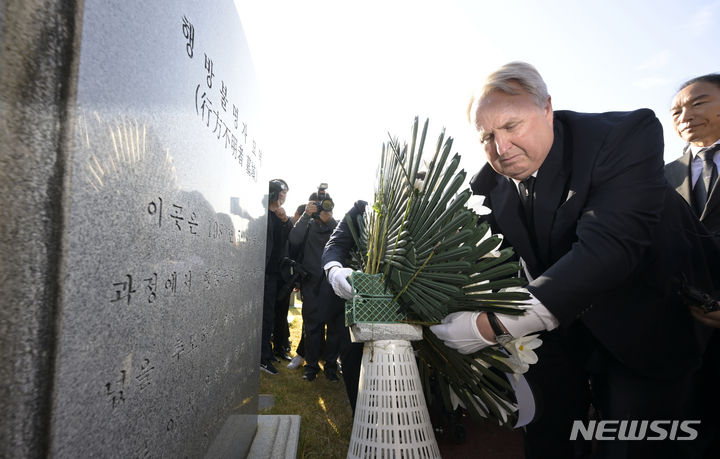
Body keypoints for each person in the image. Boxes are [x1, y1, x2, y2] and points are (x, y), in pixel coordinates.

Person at [325, 62, 720, 457]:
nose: (501, 148)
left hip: (643, 330)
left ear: (547, 107)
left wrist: (489, 325)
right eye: (486, 136)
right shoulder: (486, 185)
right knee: (548, 440)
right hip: (559, 344)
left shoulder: (621, 137)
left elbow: (609, 250)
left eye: (512, 126)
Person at [665, 73, 720, 456]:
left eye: (698, 102)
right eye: (676, 110)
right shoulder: (660, 176)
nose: (685, 114)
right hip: (681, 328)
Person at [289, 192, 345, 382]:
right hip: (311, 283)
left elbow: (344, 243)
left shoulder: (336, 226)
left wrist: (329, 220)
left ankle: (331, 366)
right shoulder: (308, 224)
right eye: (320, 204)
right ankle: (311, 366)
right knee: (312, 328)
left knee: (335, 328)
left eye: (327, 204)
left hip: (333, 285)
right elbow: (294, 240)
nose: (324, 208)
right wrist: (306, 214)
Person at [260, 179, 292, 375]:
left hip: (276, 274)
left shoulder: (280, 217)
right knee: (264, 317)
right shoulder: (262, 213)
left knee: (271, 317)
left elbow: (288, 238)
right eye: (281, 194)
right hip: (263, 273)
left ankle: (268, 351)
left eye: (285, 194)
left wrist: (285, 221)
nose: (283, 198)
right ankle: (262, 358)